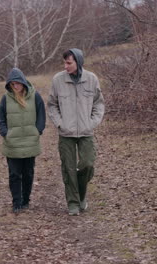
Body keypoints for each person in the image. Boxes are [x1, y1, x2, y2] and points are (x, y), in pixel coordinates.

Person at [47, 48, 105, 216]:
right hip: (66, 133)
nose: (65, 66)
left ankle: (81, 195)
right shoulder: (58, 80)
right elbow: (52, 105)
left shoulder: (91, 79)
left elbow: (99, 103)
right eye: (64, 62)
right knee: (69, 168)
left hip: (86, 132)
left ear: (78, 62)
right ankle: (73, 202)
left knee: (87, 164)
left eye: (69, 63)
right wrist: (60, 124)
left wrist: (92, 122)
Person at [0, 68, 46, 214]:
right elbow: (0, 119)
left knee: (28, 173)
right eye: (12, 84)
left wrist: (38, 131)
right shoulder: (5, 99)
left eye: (18, 83)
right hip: (12, 143)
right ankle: (16, 202)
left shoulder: (35, 96)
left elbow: (41, 115)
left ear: (23, 82)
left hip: (30, 142)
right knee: (14, 174)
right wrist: (6, 133)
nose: (16, 86)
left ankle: (26, 200)